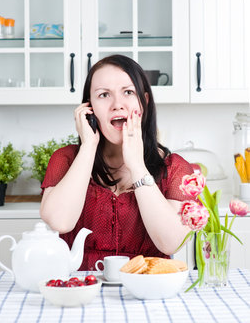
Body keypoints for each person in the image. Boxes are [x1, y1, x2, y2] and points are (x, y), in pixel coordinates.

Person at [40, 54, 193, 271]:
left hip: (147, 288)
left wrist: (137, 166)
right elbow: (60, 222)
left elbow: (170, 242)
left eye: (128, 92)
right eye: (103, 95)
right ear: (89, 108)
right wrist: (88, 147)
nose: (117, 105)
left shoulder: (176, 168)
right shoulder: (66, 159)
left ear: (145, 102)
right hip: (81, 288)